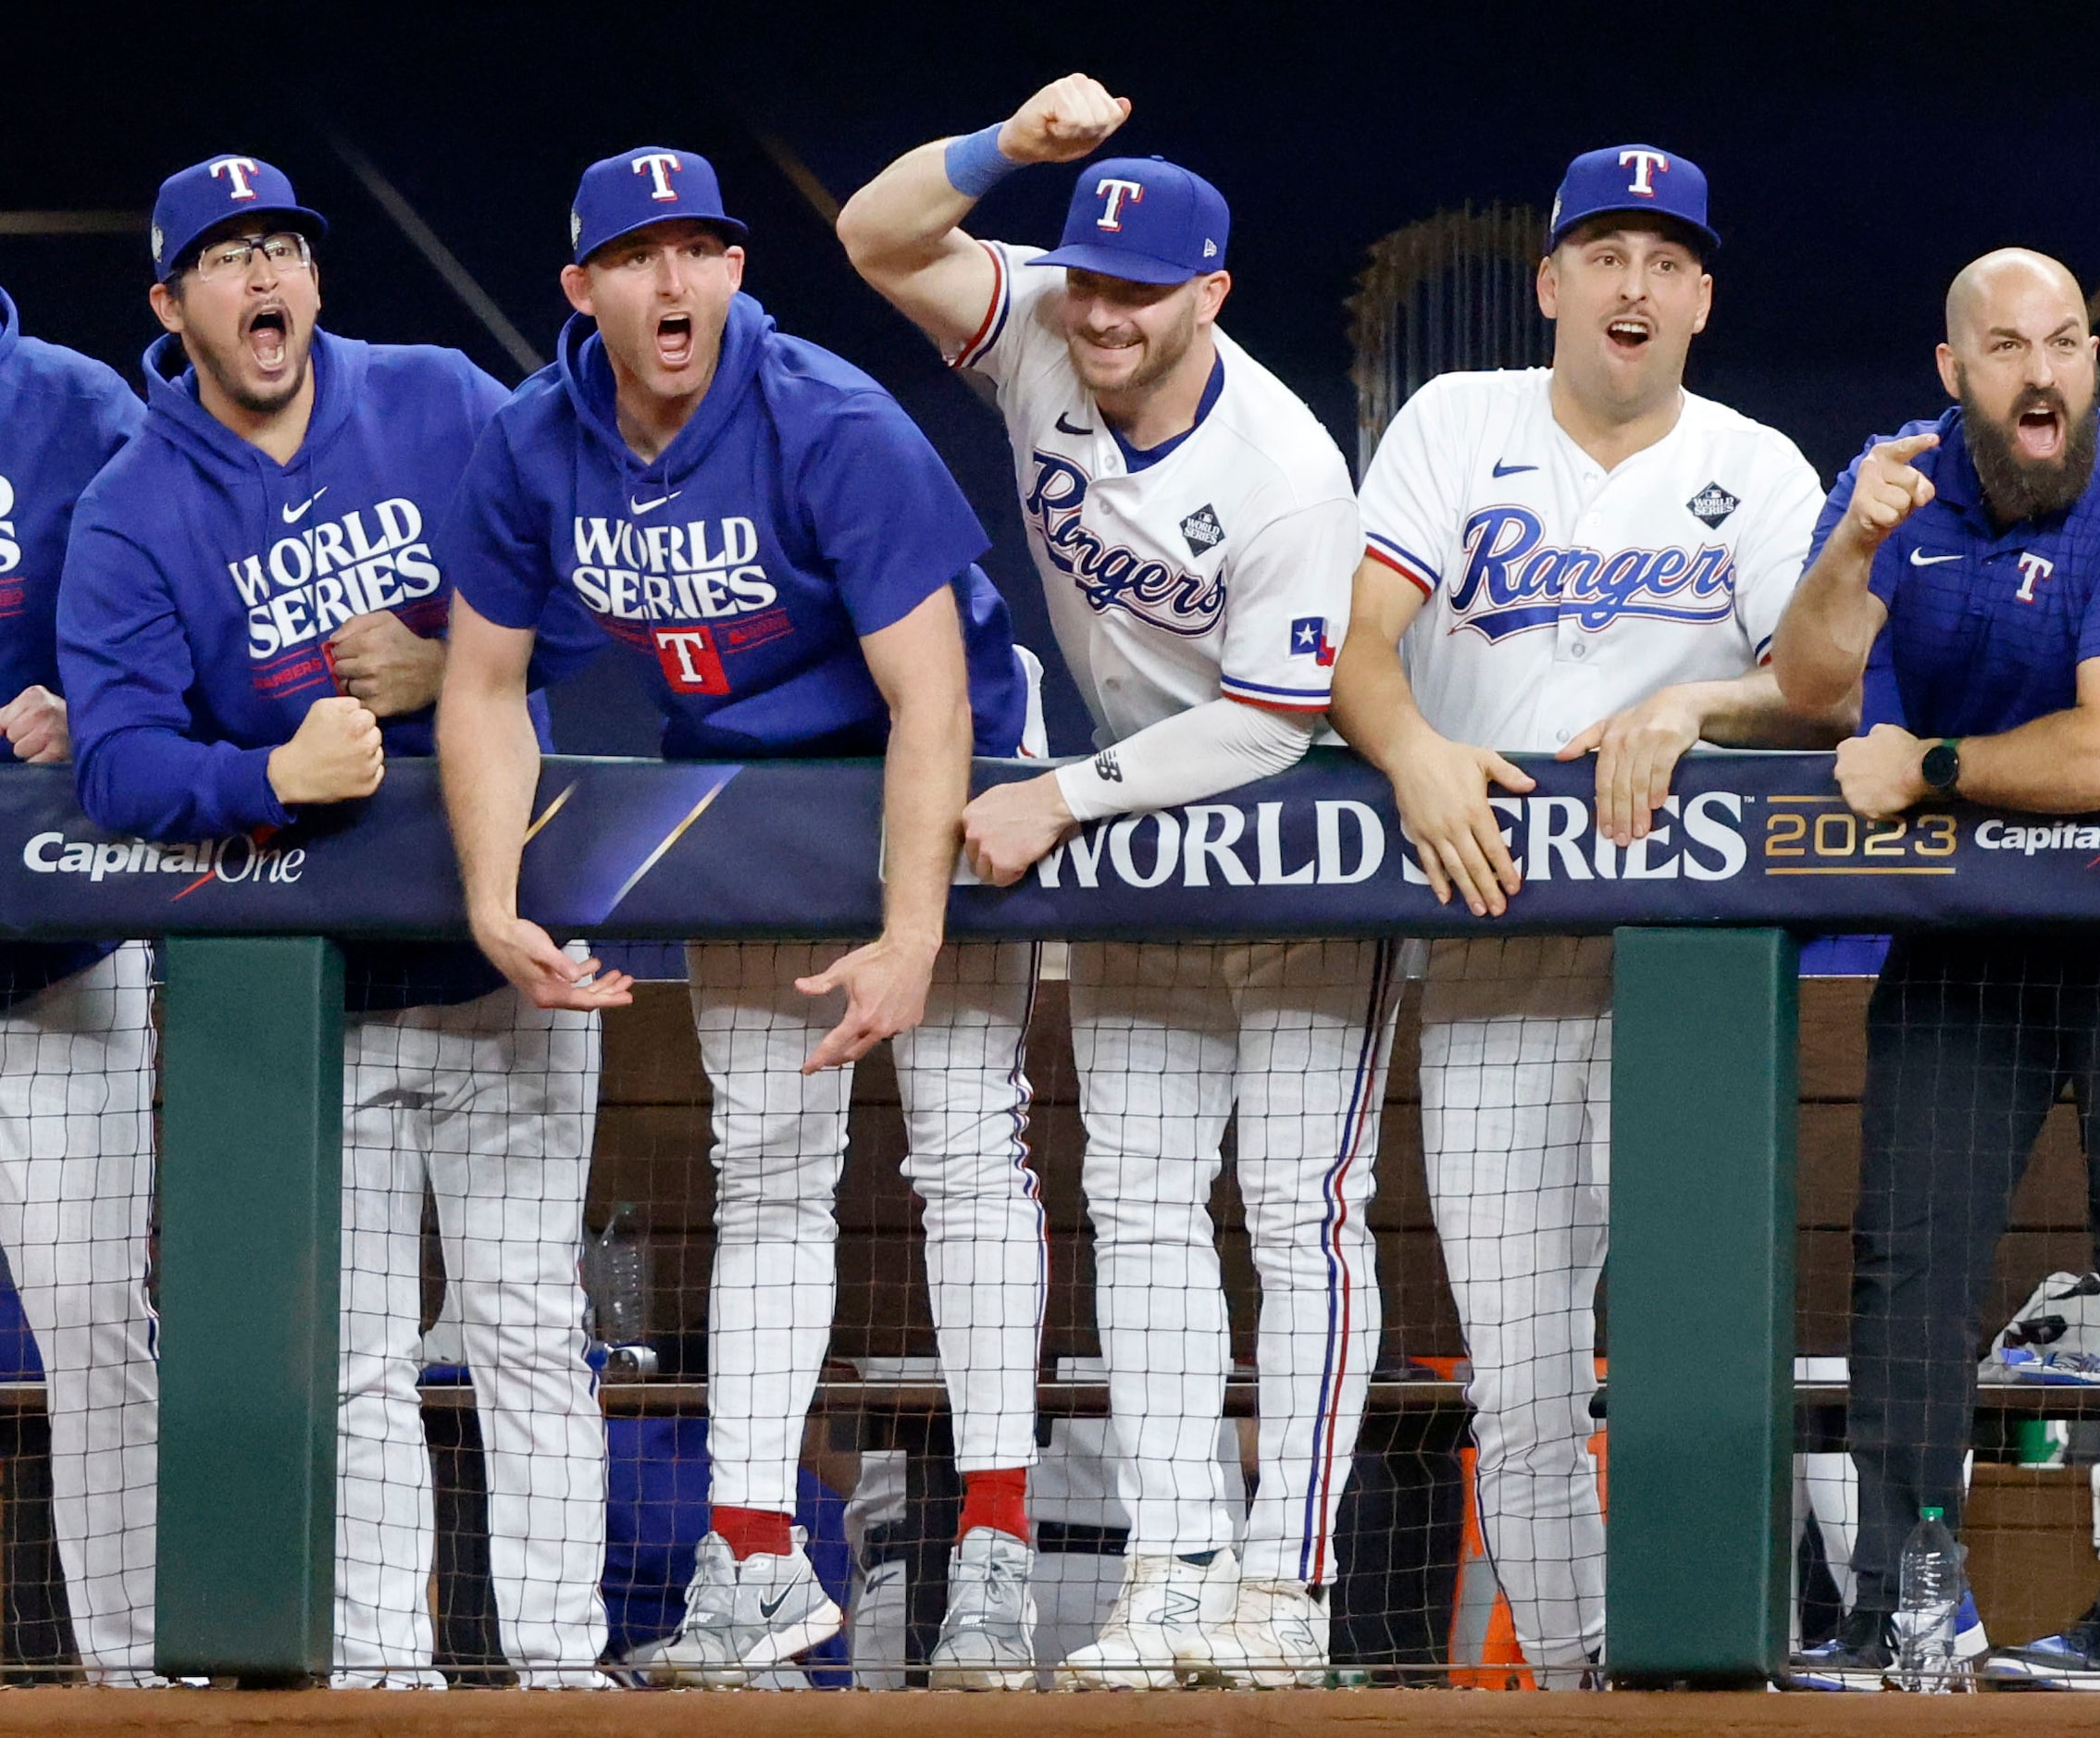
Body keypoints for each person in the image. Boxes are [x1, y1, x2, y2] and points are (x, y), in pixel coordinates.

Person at [434, 146, 1050, 1690]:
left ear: (735, 272)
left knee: (966, 1147)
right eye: (639, 256)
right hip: (759, 793)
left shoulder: (827, 416)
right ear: (584, 289)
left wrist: (914, 930)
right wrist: (492, 895)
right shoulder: (534, 439)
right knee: (765, 1169)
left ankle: (995, 1554)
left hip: (949, 764)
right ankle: (759, 1561)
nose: (674, 281)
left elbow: (931, 700)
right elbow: (484, 685)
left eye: (701, 249)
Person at [840, 75, 1399, 1691]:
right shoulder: (1037, 325)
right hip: (1135, 831)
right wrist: (1010, 151)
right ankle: (1170, 1563)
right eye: (1088, 274)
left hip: (1298, 836)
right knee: (1142, 1207)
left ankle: (1283, 1586)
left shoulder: (1287, 465)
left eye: (1141, 290)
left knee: (1303, 1217)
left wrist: (1064, 799)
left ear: (1210, 295)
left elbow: (1280, 716)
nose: (1102, 310)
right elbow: (879, 234)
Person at [56, 155, 610, 1688]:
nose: (262, 278)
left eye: (280, 247)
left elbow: (592, 569)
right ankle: (382, 1677)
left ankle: (560, 1673)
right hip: (302, 998)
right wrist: (264, 773)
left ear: (313, 279)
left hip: (500, 951)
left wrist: (458, 669)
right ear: (173, 307)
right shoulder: (131, 507)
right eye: (225, 260)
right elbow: (112, 756)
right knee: (356, 1359)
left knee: (527, 1327)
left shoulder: (438, 399)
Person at [1329, 144, 1843, 1688]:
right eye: (1605, 253)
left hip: (1686, 964)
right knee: (1525, 1380)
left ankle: (1747, 1673)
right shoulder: (1455, 422)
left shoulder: (1756, 464)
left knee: (1711, 1354)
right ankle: (1579, 1688)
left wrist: (1696, 698)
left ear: (1699, 296)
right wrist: (1411, 743)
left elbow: (1818, 693)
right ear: (1550, 283)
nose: (1635, 283)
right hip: (1492, 935)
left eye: (1666, 258)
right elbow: (1357, 651)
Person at [1773, 248, 2100, 1693]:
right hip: (1983, 908)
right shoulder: (1895, 483)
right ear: (1953, 372)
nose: (2041, 374)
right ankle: (1911, 1597)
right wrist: (1849, 550)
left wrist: (1924, 764)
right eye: (2007, 348)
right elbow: (1808, 691)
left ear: (2093, 361)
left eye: (2065, 345)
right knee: (1907, 1251)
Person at [0, 278, 157, 1682]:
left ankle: (131, 1670)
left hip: (62, 961)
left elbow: (169, 623)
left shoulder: (78, 406)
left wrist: (85, 696)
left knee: (95, 1317)